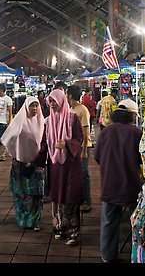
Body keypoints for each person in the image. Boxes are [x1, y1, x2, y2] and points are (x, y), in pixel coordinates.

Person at [94, 98, 143, 263]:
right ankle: (139, 253)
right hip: (131, 184)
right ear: (130, 116)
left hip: (110, 183)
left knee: (109, 221)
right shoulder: (136, 133)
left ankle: (107, 255)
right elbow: (142, 158)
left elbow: (97, 156)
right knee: (138, 220)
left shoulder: (106, 132)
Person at [1, 96, 47, 231]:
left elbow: (44, 144)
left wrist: (34, 160)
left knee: (36, 194)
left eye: (36, 106)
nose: (34, 108)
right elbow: (8, 138)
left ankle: (34, 220)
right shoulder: (19, 122)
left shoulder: (42, 123)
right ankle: (23, 219)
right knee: (21, 193)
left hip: (36, 165)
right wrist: (17, 153)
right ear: (26, 107)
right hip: (20, 164)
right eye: (31, 106)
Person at [45, 89, 84, 246]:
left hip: (70, 165)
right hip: (55, 165)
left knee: (70, 197)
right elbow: (44, 143)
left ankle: (73, 232)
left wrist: (66, 144)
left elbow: (79, 137)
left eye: (55, 101)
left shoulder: (72, 118)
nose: (53, 104)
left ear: (62, 101)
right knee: (57, 197)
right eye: (50, 101)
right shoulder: (48, 121)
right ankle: (59, 228)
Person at [67, 85, 92, 213]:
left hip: (82, 147)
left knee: (84, 174)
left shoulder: (82, 110)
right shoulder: (70, 109)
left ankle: (87, 201)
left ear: (70, 95)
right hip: (72, 147)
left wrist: (84, 151)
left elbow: (86, 130)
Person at [0, 83, 13, 161]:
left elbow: (10, 111)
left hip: (4, 121)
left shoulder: (8, 99)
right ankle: (4, 150)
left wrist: (9, 121)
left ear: (1, 90)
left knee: (2, 138)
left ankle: (3, 153)